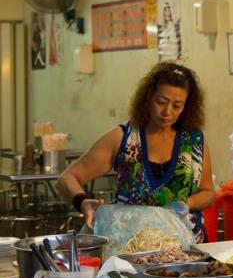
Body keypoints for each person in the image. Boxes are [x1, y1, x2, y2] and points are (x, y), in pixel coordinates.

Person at [57, 62, 214, 241]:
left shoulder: (194, 141)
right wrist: (82, 202)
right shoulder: (123, 138)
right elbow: (66, 178)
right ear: (148, 98)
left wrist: (187, 204)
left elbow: (208, 193)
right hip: (129, 245)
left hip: (186, 247)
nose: (167, 112)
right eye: (161, 102)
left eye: (177, 105)